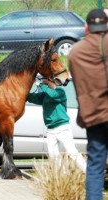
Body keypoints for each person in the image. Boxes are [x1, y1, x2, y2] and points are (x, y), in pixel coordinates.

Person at [68, 8, 108, 200]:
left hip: (94, 117)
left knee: (95, 166)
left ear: (87, 27)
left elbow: (79, 87)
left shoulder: (75, 54)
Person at [27, 79, 86, 173]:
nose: (46, 83)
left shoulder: (60, 92)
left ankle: (87, 171)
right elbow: (31, 97)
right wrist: (25, 87)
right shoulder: (45, 95)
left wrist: (42, 84)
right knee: (53, 155)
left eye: (48, 82)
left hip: (62, 128)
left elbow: (53, 95)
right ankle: (62, 175)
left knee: (72, 151)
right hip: (50, 129)